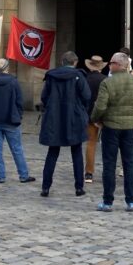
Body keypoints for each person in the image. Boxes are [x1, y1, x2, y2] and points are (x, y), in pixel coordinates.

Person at [90, 52, 133, 212]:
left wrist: (95, 119)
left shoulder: (107, 83)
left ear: (117, 64)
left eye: (110, 63)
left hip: (111, 127)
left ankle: (108, 201)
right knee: (129, 163)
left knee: (109, 164)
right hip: (129, 128)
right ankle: (131, 201)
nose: (109, 66)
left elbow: (101, 106)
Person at [39, 51, 91, 197]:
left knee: (52, 152)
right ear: (74, 62)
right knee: (76, 153)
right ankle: (79, 187)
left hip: (54, 117)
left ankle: (45, 187)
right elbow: (87, 96)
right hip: (74, 117)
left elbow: (44, 97)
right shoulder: (78, 76)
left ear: (62, 61)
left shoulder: (51, 76)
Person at [0, 59, 34, 185]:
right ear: (6, 68)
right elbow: (19, 101)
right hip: (11, 119)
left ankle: (0, 176)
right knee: (16, 148)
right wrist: (19, 115)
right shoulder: (13, 82)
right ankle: (23, 174)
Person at [81, 55, 107, 183]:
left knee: (91, 143)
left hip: (89, 114)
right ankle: (108, 170)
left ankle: (89, 172)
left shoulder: (84, 79)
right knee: (109, 144)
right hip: (104, 116)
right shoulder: (105, 79)